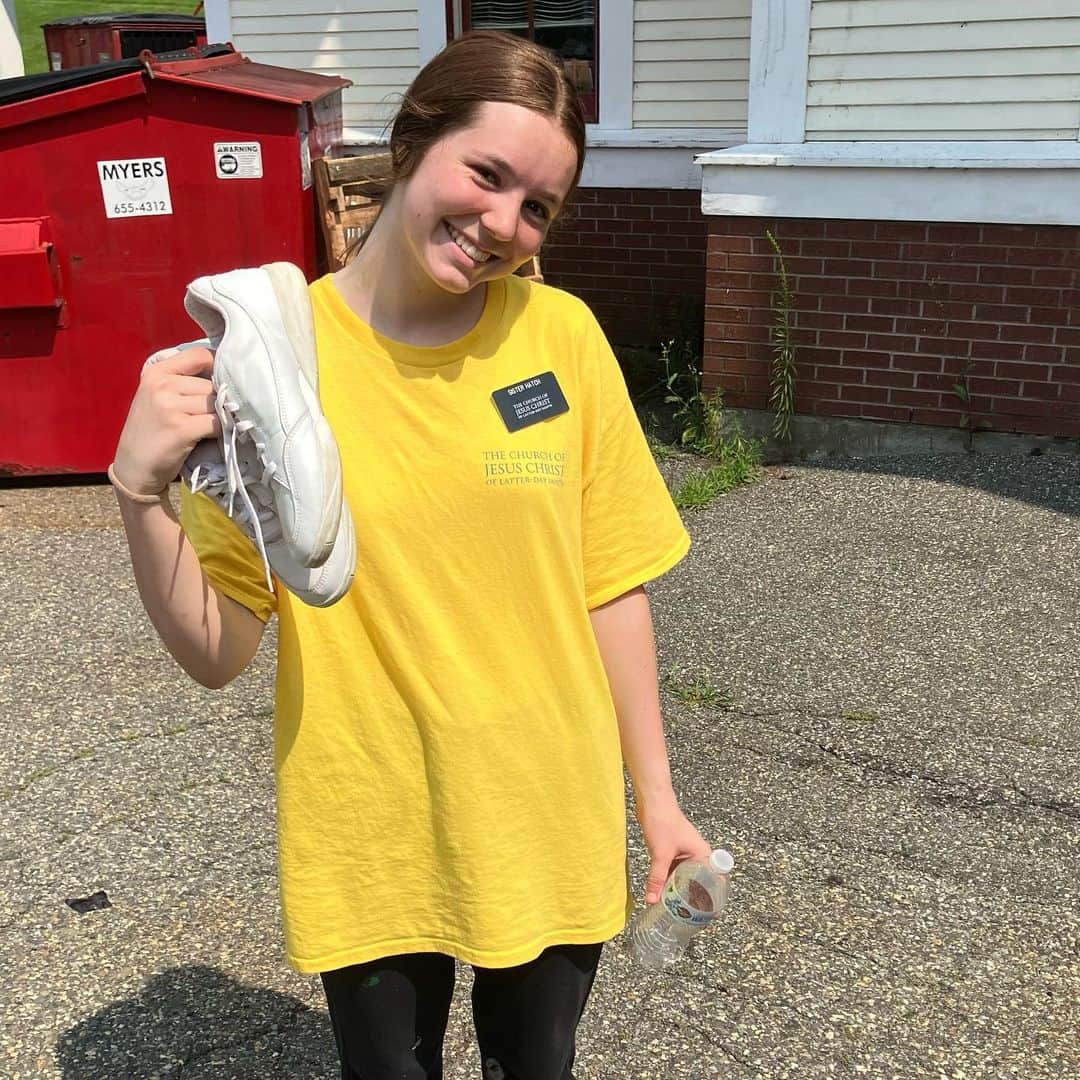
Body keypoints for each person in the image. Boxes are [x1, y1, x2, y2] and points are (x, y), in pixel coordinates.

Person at [109, 29, 710, 1080]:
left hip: (546, 806)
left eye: (537, 207)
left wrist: (656, 798)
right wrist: (137, 493)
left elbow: (612, 581)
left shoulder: (560, 337)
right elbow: (218, 649)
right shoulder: (274, 364)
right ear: (410, 143)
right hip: (371, 821)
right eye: (487, 174)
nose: (504, 226)